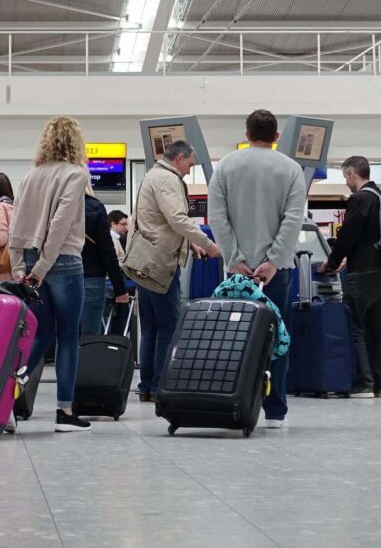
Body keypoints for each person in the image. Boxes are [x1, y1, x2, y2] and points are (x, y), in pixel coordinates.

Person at [207, 109, 307, 428]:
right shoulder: (291, 169)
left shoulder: (225, 166)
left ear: (246, 133)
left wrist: (235, 259)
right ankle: (275, 410)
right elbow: (293, 220)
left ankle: (234, 401)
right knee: (276, 338)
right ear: (276, 136)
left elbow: (217, 218)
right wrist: (274, 261)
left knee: (234, 339)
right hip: (276, 274)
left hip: (236, 274)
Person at [9, 116, 93, 433]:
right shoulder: (76, 173)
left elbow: (16, 226)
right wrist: (44, 266)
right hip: (63, 261)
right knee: (69, 336)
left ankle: (5, 398)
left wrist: (22, 266)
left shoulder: (30, 176)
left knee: (41, 334)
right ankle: (65, 412)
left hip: (30, 260)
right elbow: (60, 224)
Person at [131, 140, 220, 403]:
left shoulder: (152, 175)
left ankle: (147, 385)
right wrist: (208, 243)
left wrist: (190, 243)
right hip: (160, 263)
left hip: (144, 261)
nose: (189, 170)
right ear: (179, 158)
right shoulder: (168, 179)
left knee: (149, 329)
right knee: (168, 327)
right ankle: (160, 386)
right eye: (190, 164)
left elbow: (159, 220)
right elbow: (177, 219)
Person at [321, 156, 381, 398]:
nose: (346, 183)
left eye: (345, 177)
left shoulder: (360, 199)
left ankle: (363, 383)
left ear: (353, 174)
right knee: (380, 328)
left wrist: (332, 263)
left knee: (356, 327)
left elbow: (348, 236)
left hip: (363, 271)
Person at [80, 187, 129, 336]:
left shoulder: (54, 205)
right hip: (92, 275)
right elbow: (107, 251)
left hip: (60, 275)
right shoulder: (94, 207)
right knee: (90, 335)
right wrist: (120, 288)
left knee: (65, 336)